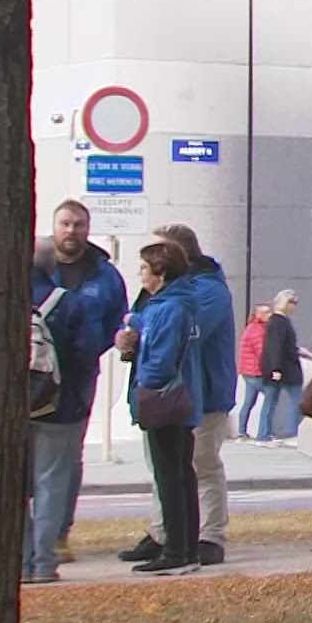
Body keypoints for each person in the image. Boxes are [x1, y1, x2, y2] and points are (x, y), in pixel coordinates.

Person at [115, 224, 237, 566]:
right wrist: (130, 335)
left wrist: (143, 343)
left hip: (200, 390)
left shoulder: (204, 291)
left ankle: (208, 536)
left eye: (155, 256)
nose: (145, 268)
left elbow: (178, 336)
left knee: (200, 465)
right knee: (166, 468)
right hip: (169, 392)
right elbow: (144, 324)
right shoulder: (167, 294)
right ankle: (164, 533)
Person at [41, 200, 130, 563]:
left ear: (88, 228)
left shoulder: (104, 275)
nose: (71, 231)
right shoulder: (35, 266)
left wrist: (89, 348)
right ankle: (31, 537)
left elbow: (116, 320)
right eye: (65, 223)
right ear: (54, 226)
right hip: (33, 374)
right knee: (30, 454)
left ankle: (59, 533)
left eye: (78, 224)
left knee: (68, 455)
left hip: (78, 376)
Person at [129, 240, 205, 576]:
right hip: (180, 399)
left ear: (160, 273)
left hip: (165, 399)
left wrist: (144, 385)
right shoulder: (173, 304)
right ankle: (186, 547)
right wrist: (133, 321)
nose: (141, 275)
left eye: (144, 269)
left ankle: (176, 551)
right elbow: (149, 326)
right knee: (180, 474)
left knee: (170, 477)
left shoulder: (170, 308)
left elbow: (160, 358)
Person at [23, 240, 89, 585]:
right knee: (51, 483)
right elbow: (84, 356)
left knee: (16, 486)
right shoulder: (69, 303)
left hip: (15, 410)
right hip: (58, 406)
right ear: (53, 266)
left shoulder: (3, 298)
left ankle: (21, 561)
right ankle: (44, 562)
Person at [260, 289, 305, 444]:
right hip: (284, 368)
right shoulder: (279, 321)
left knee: (272, 401)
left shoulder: (279, 321)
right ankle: (288, 433)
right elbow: (275, 346)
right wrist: (276, 368)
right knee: (294, 400)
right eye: (292, 302)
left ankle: (265, 434)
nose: (294, 306)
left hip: (281, 367)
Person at [236, 304, 273, 438]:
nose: (270, 314)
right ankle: (263, 433)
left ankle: (241, 431)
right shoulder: (257, 330)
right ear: (258, 315)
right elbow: (262, 352)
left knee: (249, 402)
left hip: (249, 371)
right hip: (255, 372)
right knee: (271, 396)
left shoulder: (254, 327)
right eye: (266, 312)